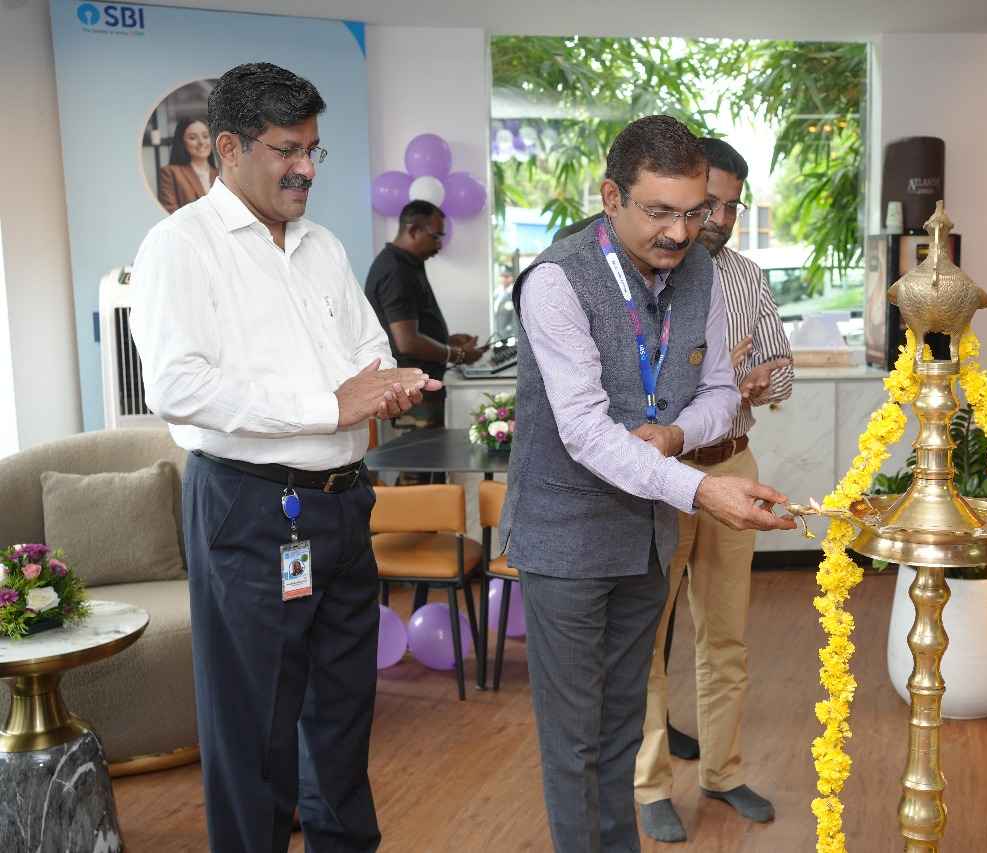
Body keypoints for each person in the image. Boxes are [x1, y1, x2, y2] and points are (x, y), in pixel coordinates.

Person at [130, 62, 437, 853]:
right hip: (250, 506)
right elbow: (176, 387)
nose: (305, 166)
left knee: (341, 711)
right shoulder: (179, 247)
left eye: (313, 148)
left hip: (341, 503)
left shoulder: (323, 244)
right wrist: (327, 405)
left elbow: (366, 350)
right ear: (227, 148)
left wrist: (390, 382)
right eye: (286, 148)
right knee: (255, 724)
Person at [499, 114, 796, 853]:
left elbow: (723, 391)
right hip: (566, 538)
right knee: (575, 743)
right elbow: (584, 430)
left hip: (645, 535)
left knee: (622, 725)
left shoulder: (706, 271)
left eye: (694, 212)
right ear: (611, 196)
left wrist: (674, 435)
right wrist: (700, 488)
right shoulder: (556, 282)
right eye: (659, 211)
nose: (680, 231)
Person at [634, 137, 794, 842]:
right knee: (652, 636)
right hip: (662, 477)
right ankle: (649, 784)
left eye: (731, 205)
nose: (721, 217)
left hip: (733, 464)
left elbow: (782, 365)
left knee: (725, 636)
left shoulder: (747, 276)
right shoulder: (646, 274)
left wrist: (764, 378)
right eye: (711, 203)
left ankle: (722, 771)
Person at [364, 200, 485, 433]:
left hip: (420, 388)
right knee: (419, 465)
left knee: (431, 465)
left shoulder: (409, 264)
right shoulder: (395, 270)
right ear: (413, 230)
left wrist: (446, 341)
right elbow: (407, 342)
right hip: (410, 393)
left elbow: (412, 328)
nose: (440, 245)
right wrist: (457, 354)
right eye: (436, 236)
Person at [157, 116, 219, 213]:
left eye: (205, 136)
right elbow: (170, 213)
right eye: (192, 138)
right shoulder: (170, 173)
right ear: (182, 142)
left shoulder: (222, 174)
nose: (201, 142)